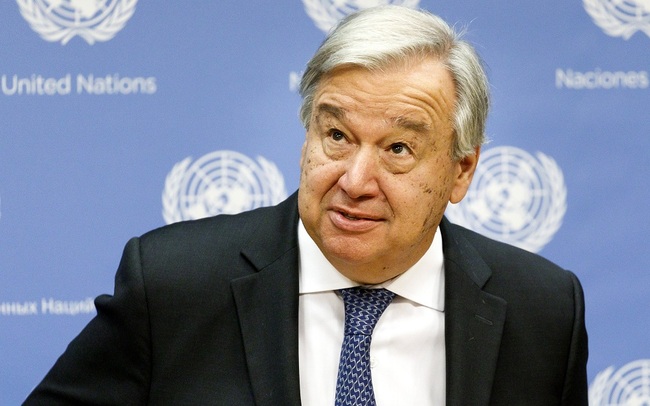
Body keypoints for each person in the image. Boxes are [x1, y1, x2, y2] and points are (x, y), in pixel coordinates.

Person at [24, 5, 588, 405]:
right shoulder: (173, 284)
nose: (355, 180)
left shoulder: (543, 310)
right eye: (337, 136)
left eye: (397, 149)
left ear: (460, 171)